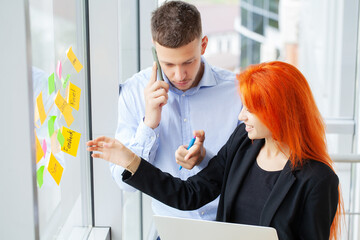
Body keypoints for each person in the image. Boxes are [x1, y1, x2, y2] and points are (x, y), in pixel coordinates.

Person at [88, 61, 343, 240]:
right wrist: (131, 161)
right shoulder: (244, 142)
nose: (241, 116)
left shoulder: (318, 180)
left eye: (251, 109)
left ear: (279, 113)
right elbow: (189, 194)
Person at [110, 0, 242, 222]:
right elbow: (124, 183)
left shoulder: (236, 92)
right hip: (170, 228)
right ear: (154, 50)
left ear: (203, 45)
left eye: (188, 62)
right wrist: (149, 124)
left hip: (229, 224)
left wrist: (205, 159)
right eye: (168, 64)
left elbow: (248, 173)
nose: (180, 75)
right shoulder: (133, 92)